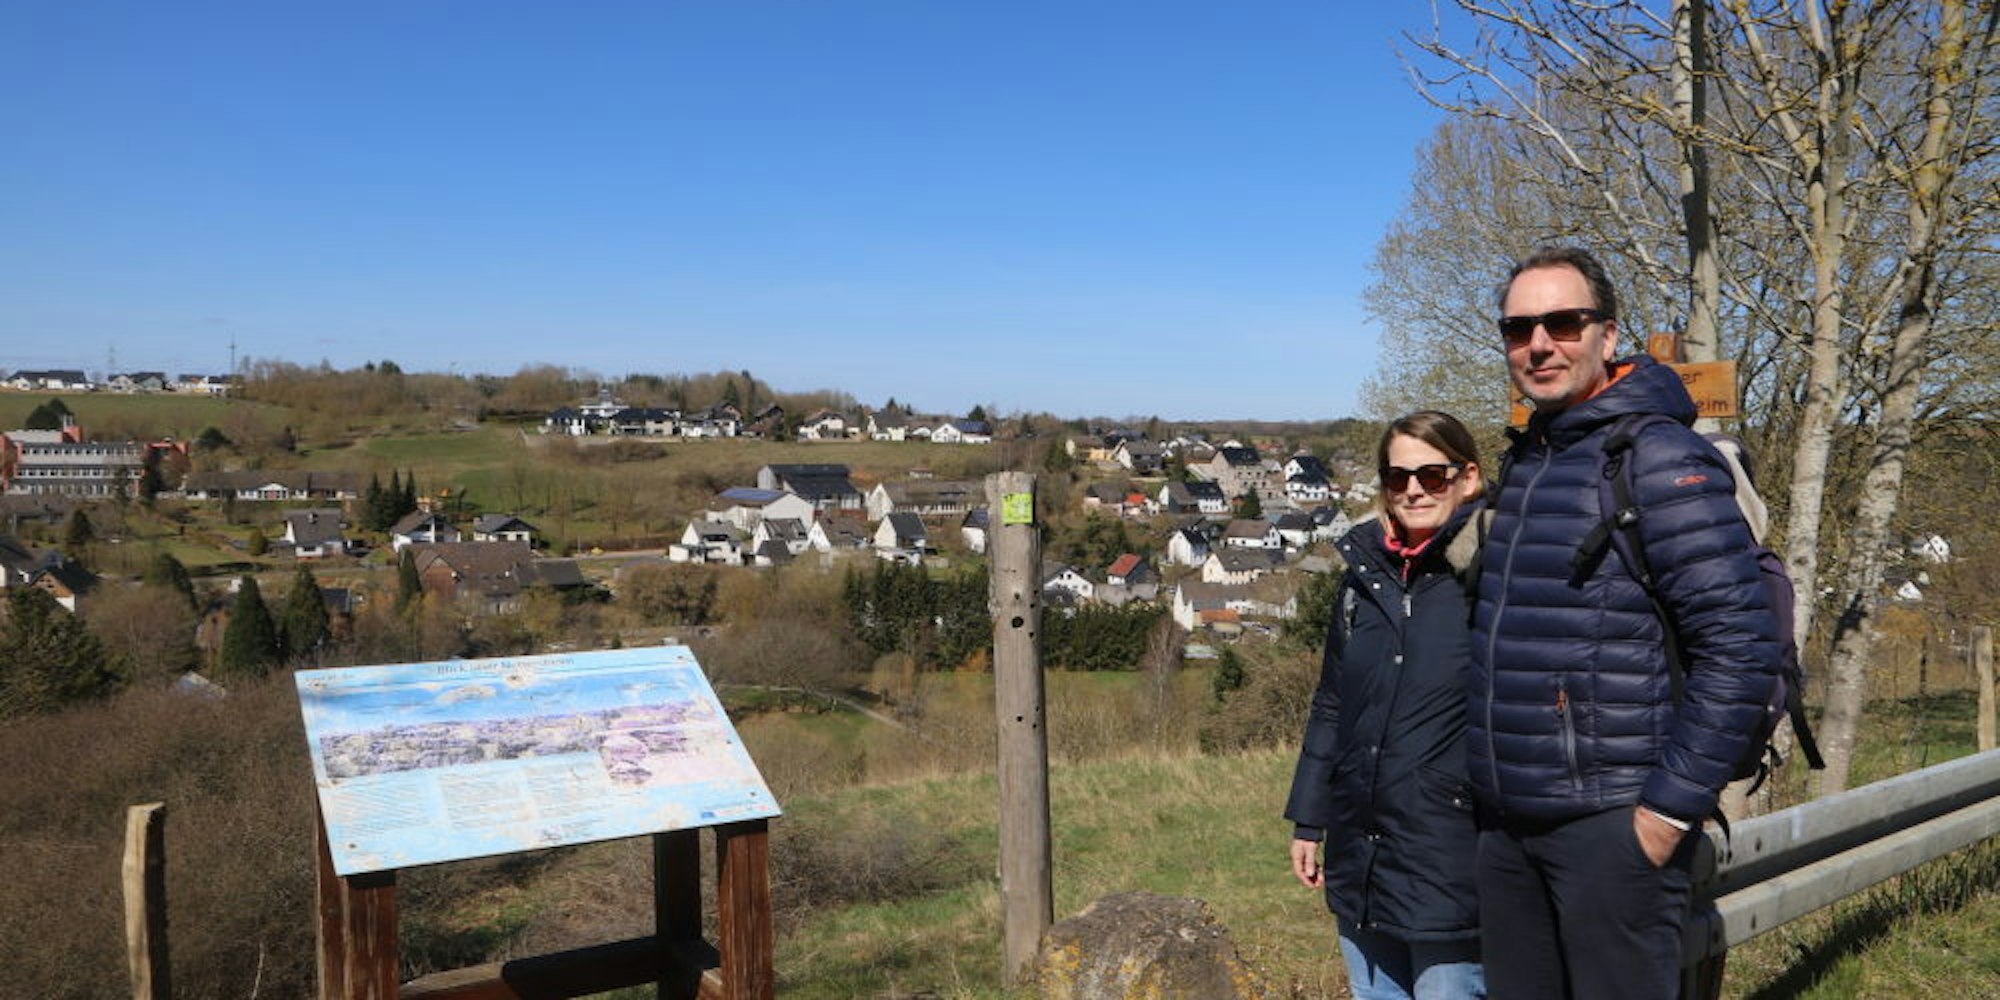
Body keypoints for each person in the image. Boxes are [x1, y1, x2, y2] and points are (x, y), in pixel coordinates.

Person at [1469, 246, 1780, 998]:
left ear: (1607, 336)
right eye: (1518, 328)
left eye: (1562, 323)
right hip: (1510, 824)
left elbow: (1741, 646)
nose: (1539, 344)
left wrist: (1666, 811)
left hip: (1612, 826)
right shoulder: (1532, 458)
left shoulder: (1657, 458)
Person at [1285, 410, 1487, 1000]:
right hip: (1362, 850)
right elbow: (1332, 703)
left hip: (1453, 854)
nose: (1414, 490)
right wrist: (1309, 818)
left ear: (1468, 477)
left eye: (1432, 475)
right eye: (1398, 477)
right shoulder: (1363, 578)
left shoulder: (1495, 574)